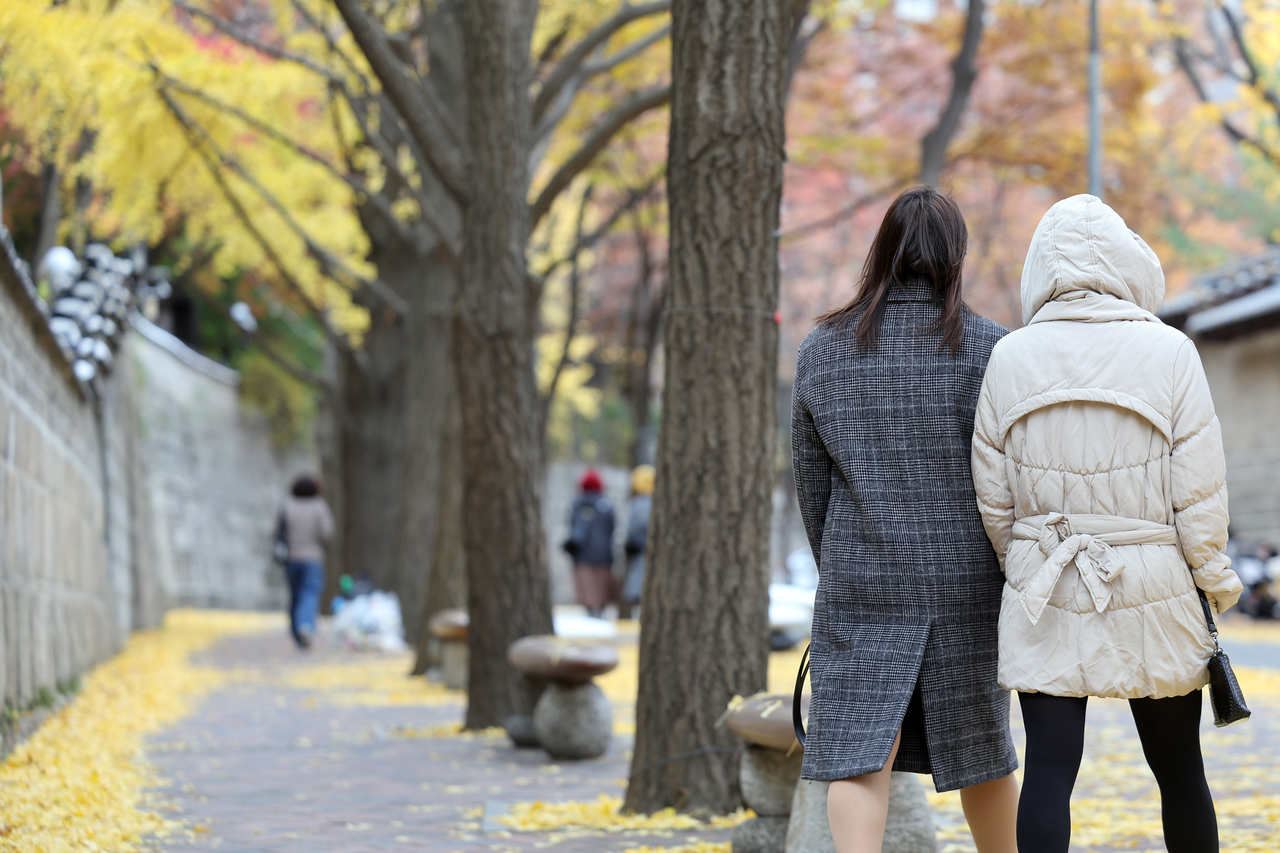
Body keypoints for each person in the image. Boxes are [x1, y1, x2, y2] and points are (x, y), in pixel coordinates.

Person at [971, 194, 1244, 853]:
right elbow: (1200, 487)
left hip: (1048, 583)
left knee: (1049, 771)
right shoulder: (1171, 351)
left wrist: (1026, 562)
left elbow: (992, 489)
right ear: (1125, 259)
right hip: (1154, 578)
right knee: (1180, 770)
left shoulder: (1012, 355)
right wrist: (1212, 574)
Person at [792, 186, 1019, 853]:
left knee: (860, 745)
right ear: (956, 256)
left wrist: (840, 562)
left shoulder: (823, 350)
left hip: (862, 575)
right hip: (969, 579)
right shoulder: (992, 350)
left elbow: (812, 486)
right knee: (983, 744)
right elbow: (1010, 479)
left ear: (882, 251)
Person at [278, 474, 334, 649]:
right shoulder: (319, 506)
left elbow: (275, 531)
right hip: (312, 558)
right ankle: (306, 626)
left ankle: (296, 634)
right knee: (309, 593)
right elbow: (327, 532)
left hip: (291, 558)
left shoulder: (287, 506)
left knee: (295, 596)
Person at [563, 468, 615, 618]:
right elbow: (612, 528)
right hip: (604, 556)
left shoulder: (579, 504)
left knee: (588, 594)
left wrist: (572, 544)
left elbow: (577, 529)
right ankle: (599, 616)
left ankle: (592, 617)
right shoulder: (607, 505)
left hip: (583, 557)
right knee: (600, 592)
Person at [622, 464, 655, 609]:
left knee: (638, 581)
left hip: (639, 550)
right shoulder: (656, 502)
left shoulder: (637, 504)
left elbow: (631, 527)